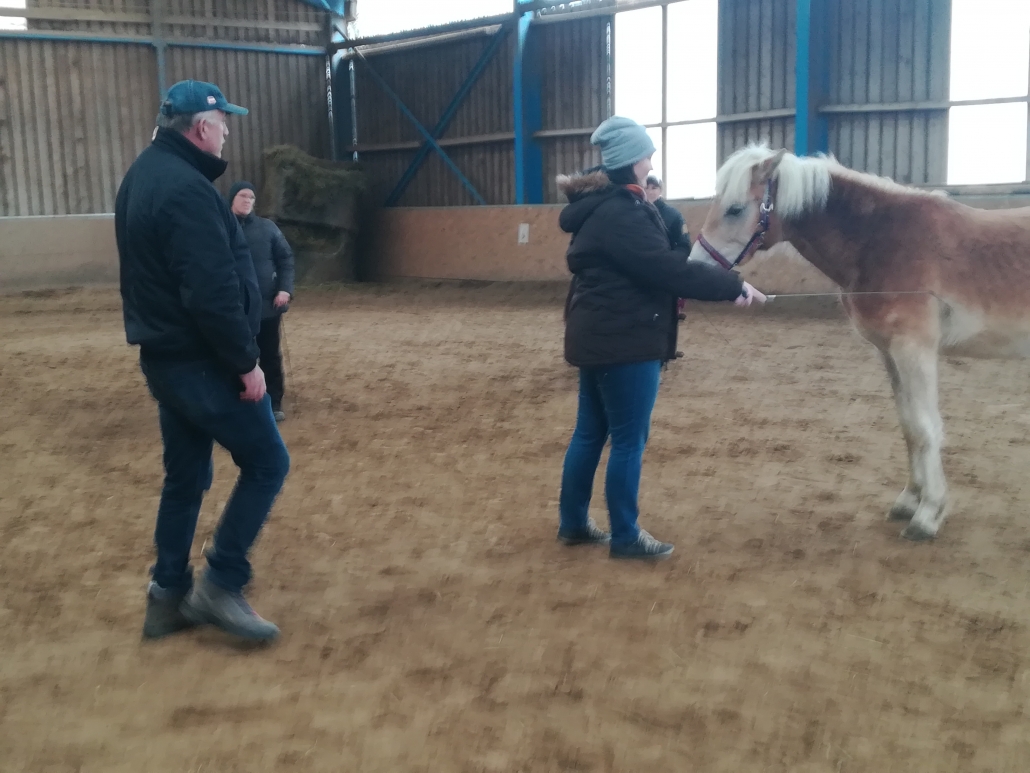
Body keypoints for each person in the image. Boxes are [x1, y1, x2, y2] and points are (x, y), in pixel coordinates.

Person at [115, 79, 290, 642]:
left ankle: (166, 594)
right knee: (268, 463)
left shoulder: (142, 176)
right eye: (223, 123)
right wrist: (246, 361)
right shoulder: (187, 190)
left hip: (167, 358)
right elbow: (210, 292)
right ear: (199, 127)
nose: (228, 131)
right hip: (202, 362)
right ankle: (220, 581)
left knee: (185, 476)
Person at [556, 116, 766, 561]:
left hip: (600, 336)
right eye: (648, 152)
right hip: (626, 341)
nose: (652, 159)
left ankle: (574, 522)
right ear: (634, 161)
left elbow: (658, 263)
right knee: (628, 440)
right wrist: (733, 286)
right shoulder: (623, 213)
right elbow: (668, 270)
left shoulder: (605, 209)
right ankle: (626, 536)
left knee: (590, 433)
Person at [228, 181, 295, 422]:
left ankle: (274, 401)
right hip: (234, 308)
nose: (247, 200)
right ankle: (238, 399)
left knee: (270, 354)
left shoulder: (268, 229)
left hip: (267, 306)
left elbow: (286, 259)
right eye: (242, 195)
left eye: (251, 197)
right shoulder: (220, 227)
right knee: (236, 353)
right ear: (232, 199)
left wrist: (285, 290)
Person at [644, 173, 691, 253]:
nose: (649, 192)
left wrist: (673, 259)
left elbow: (684, 243)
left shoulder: (674, 215)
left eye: (654, 188)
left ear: (660, 191)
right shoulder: (635, 212)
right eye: (646, 188)